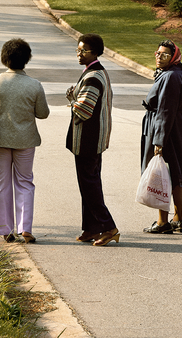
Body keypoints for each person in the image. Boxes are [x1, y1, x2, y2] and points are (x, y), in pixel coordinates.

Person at [0, 38, 50, 243]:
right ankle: (25, 227)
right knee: (25, 182)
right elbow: (42, 113)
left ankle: (4, 228)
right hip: (26, 140)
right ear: (26, 60)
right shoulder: (35, 85)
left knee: (1, 182)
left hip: (0, 139)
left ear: (5, 59)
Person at [65, 33, 120, 247]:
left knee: (89, 185)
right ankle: (91, 228)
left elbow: (85, 109)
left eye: (83, 51)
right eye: (78, 50)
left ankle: (108, 228)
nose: (79, 54)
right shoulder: (96, 72)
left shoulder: (93, 76)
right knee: (89, 183)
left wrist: (72, 99)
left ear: (95, 53)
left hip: (88, 139)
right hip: (94, 138)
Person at [140, 39, 182, 234]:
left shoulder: (170, 77)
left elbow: (165, 110)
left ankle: (163, 221)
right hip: (177, 128)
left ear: (173, 57)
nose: (159, 57)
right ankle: (178, 218)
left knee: (162, 175)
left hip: (166, 130)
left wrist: (159, 141)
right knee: (177, 172)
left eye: (164, 54)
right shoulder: (175, 73)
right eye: (157, 53)